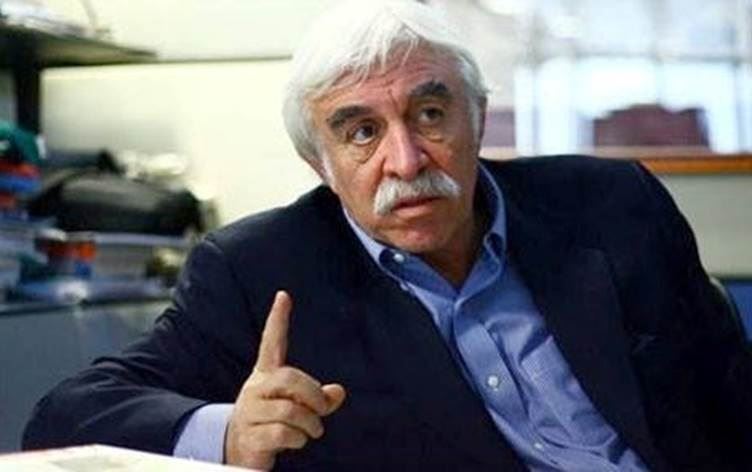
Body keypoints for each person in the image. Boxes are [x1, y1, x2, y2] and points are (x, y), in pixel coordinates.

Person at [23, 1, 752, 470]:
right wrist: (230, 432)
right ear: (320, 162)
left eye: (430, 115)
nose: (406, 161)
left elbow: (731, 395)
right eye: (361, 132)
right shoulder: (261, 270)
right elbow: (65, 416)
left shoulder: (612, 206)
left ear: (477, 117)